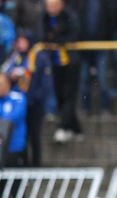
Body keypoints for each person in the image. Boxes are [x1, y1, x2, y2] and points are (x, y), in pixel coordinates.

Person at [1, 30, 52, 166]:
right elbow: (5, 74)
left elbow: (45, 83)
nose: (22, 44)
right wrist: (11, 77)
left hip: (34, 104)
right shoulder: (14, 58)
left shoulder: (39, 58)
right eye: (20, 41)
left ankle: (36, 164)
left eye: (24, 41)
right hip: (18, 104)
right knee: (21, 136)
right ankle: (23, 163)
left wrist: (36, 99)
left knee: (34, 135)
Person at [40, 0, 82, 143]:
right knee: (59, 95)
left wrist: (57, 39)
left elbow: (73, 35)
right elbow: (43, 36)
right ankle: (75, 128)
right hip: (54, 61)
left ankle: (63, 127)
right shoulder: (45, 17)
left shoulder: (69, 16)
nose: (50, 8)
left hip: (70, 61)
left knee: (68, 95)